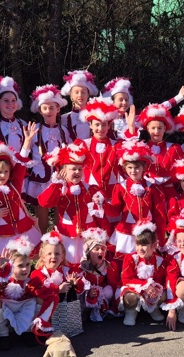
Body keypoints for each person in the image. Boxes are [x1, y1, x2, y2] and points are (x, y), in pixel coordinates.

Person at [0, 236, 59, 346]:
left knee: (39, 298)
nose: (25, 269)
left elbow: (45, 295)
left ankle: (30, 331)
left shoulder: (32, 280)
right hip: (5, 311)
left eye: (27, 265)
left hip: (24, 310)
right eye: (20, 266)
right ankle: (2, 335)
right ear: (11, 266)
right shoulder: (2, 279)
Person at [38, 143, 108, 263]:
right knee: (68, 259)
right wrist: (56, 184)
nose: (77, 172)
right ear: (63, 171)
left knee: (86, 260)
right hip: (67, 232)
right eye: (73, 169)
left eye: (80, 169)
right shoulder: (60, 188)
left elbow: (99, 212)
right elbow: (44, 202)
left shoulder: (90, 189)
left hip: (87, 232)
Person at [0, 139, 43, 261]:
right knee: (6, 260)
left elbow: (21, 164)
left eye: (6, 171)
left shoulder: (14, 184)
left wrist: (27, 142)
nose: (3, 175)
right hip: (2, 232)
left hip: (23, 227)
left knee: (32, 254)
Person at [104, 139, 168, 259]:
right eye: (130, 168)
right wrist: (103, 204)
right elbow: (115, 211)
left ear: (143, 168)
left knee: (145, 262)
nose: (133, 171)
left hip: (146, 234)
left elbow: (159, 215)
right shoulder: (120, 187)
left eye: (137, 167)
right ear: (125, 169)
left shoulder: (152, 188)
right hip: (126, 233)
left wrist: (160, 237)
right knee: (124, 263)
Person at [26, 84, 70, 232]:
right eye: (45, 108)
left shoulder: (63, 130)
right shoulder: (35, 129)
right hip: (40, 177)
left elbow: (69, 152)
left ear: (58, 109)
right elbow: (27, 152)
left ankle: (59, 246)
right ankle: (42, 246)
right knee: (42, 219)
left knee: (60, 217)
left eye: (52, 107)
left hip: (60, 177)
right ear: (39, 110)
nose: (48, 111)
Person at [31, 230, 85, 336]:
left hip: (62, 312)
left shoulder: (66, 270)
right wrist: (57, 289)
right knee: (40, 298)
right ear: (43, 256)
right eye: (49, 254)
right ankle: (40, 325)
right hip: (43, 308)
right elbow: (39, 291)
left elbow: (81, 286)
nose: (53, 257)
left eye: (57, 253)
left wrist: (74, 283)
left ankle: (65, 324)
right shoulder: (38, 273)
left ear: (63, 256)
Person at [117, 221, 167, 326]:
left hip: (151, 289)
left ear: (154, 245)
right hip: (134, 288)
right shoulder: (130, 258)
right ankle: (131, 311)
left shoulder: (159, 260)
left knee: (162, 294)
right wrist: (145, 286)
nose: (140, 248)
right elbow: (126, 279)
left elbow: (160, 279)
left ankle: (153, 308)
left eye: (144, 245)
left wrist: (154, 288)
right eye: (138, 244)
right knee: (130, 297)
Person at [78, 96, 123, 200]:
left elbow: (131, 156)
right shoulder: (83, 145)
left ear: (108, 126)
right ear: (90, 125)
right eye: (97, 125)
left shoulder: (116, 145)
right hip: (89, 195)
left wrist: (131, 128)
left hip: (112, 194)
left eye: (104, 125)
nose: (100, 129)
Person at [77, 227, 120, 322]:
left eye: (103, 249)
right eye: (96, 249)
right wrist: (88, 290)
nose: (100, 251)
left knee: (109, 291)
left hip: (100, 293)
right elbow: (79, 285)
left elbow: (113, 284)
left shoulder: (107, 265)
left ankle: (102, 309)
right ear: (88, 251)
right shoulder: (82, 266)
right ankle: (85, 310)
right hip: (88, 293)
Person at [60, 69, 99, 141]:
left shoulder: (95, 115)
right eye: (76, 92)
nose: (80, 95)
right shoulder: (63, 119)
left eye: (83, 92)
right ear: (71, 95)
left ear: (88, 94)